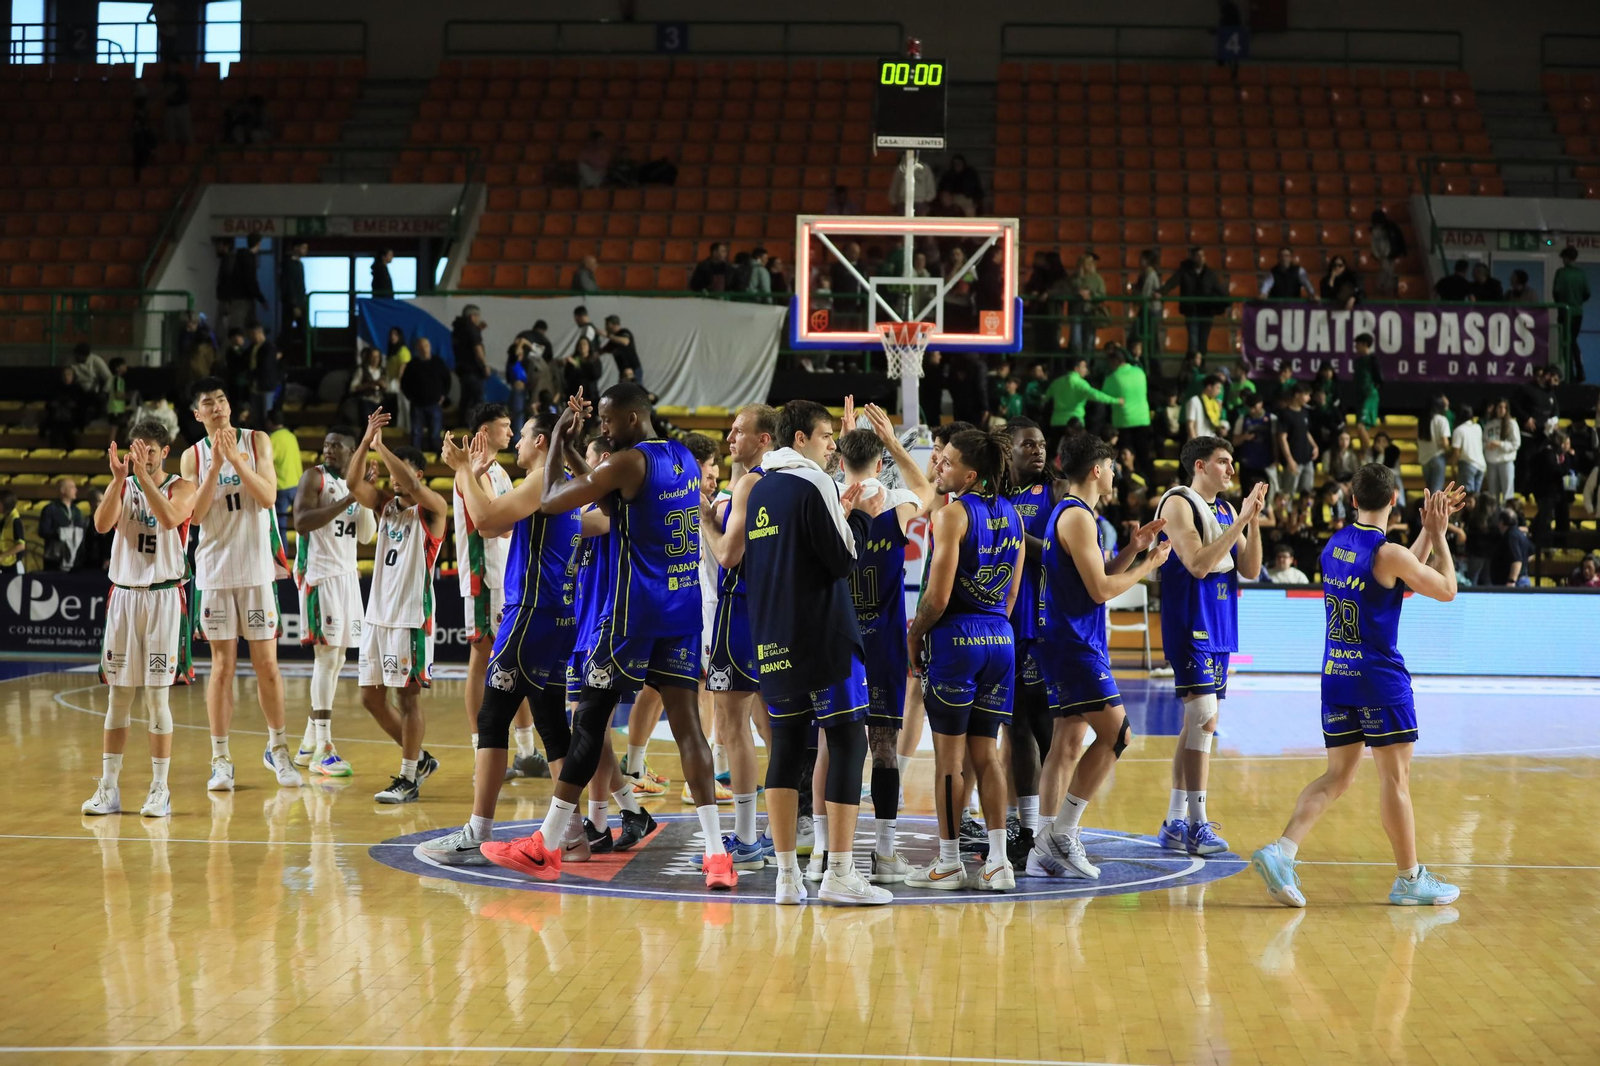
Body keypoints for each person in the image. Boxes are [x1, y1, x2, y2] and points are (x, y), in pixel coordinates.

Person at [471, 384, 732, 889]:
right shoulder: (679, 455)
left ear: (633, 418)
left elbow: (551, 500)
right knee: (688, 730)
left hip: (634, 611)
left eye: (610, 421)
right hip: (681, 610)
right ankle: (717, 855)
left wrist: (560, 445)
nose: (604, 430)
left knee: (589, 720)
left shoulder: (628, 462)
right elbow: (603, 484)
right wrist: (571, 446)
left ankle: (546, 844)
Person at [417, 407, 627, 865]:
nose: (514, 444)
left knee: (493, 720)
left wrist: (459, 472)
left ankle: (477, 831)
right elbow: (598, 520)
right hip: (560, 619)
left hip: (530, 615)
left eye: (522, 436)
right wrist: (472, 476)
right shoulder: (567, 488)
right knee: (552, 724)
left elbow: (488, 521)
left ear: (539, 444)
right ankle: (571, 835)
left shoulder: (539, 484)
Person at [1251, 470, 1464, 909]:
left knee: (1338, 775)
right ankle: (1409, 879)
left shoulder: (1336, 545)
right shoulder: (1389, 554)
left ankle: (1282, 850)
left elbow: (1395, 578)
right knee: (1395, 779)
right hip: (1379, 680)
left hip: (1336, 676)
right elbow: (1445, 590)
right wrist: (1439, 535)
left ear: (1352, 498)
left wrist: (1423, 535)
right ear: (1394, 499)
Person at [720, 399, 884, 903]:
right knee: (847, 743)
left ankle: (787, 877)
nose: (832, 445)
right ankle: (838, 872)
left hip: (771, 638)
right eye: (826, 436)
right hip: (824, 637)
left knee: (786, 749)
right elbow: (840, 561)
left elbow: (740, 560)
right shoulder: (814, 481)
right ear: (800, 439)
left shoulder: (758, 485)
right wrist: (860, 518)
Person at [1027, 433, 1171, 880]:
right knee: (1119, 736)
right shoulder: (1077, 518)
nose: (1113, 474)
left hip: (1065, 640)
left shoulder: (1070, 515)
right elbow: (1102, 590)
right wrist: (1150, 567)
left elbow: (1099, 571)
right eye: (1110, 467)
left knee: (1067, 743)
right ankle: (1064, 833)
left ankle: (1041, 848)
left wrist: (1133, 549)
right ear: (1096, 469)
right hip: (1074, 645)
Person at [899, 428, 1024, 892]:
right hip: (1000, 638)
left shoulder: (952, 515)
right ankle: (997, 864)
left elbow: (937, 595)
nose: (939, 467)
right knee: (987, 755)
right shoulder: (1012, 516)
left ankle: (949, 862)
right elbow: (1010, 595)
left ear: (970, 475)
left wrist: (915, 636)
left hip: (957, 639)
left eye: (947, 463)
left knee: (948, 762)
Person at [180, 377, 300, 792]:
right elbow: (193, 518)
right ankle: (221, 759)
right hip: (214, 572)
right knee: (222, 668)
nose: (217, 407)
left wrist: (237, 460)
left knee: (267, 665)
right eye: (208, 403)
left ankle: (279, 750)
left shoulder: (258, 441)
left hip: (256, 570)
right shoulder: (192, 457)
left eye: (222, 399)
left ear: (230, 406)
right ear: (198, 414)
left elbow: (268, 497)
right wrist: (216, 464)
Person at [834, 404, 936, 884]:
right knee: (883, 748)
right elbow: (927, 489)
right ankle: (884, 852)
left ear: (837, 460)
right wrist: (894, 442)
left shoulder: (829, 501)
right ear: (880, 465)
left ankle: (824, 855)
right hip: (884, 642)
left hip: (836, 641)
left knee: (830, 745)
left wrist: (843, 439)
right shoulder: (894, 506)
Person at [1152, 438, 1267, 857]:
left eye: (1232, 462)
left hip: (1219, 624)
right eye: (1223, 462)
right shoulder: (1178, 503)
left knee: (1195, 723)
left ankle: (1173, 821)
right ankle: (1198, 824)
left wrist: (1251, 520)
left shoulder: (1226, 509)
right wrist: (1240, 523)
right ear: (1200, 466)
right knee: (1203, 716)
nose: (1231, 469)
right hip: (1190, 622)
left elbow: (1251, 569)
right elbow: (1198, 564)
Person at [80, 422, 198, 820]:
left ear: (165, 452)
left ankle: (160, 789)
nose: (143, 455)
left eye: (150, 450)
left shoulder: (183, 486)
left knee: (155, 698)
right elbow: (100, 525)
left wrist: (143, 478)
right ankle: (109, 787)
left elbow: (168, 519)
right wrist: (117, 480)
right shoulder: (126, 484)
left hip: (164, 597)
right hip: (125, 596)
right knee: (118, 696)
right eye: (138, 449)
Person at [336, 413, 448, 803]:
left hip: (410, 619)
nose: (394, 477)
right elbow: (351, 484)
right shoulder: (385, 505)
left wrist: (382, 447)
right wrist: (366, 440)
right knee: (369, 698)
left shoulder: (433, 509)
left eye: (403, 469)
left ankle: (408, 776)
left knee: (408, 698)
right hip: (376, 616)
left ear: (417, 472)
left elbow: (414, 485)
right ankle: (419, 759)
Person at [697, 404, 781, 869]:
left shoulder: (751, 484)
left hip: (741, 609)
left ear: (764, 438)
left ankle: (746, 840)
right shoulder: (787, 481)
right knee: (772, 727)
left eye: (738, 432)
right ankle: (788, 823)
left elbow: (727, 554)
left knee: (733, 728)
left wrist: (708, 519)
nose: (730, 438)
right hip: (771, 614)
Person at [452, 404, 547, 779]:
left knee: (513, 661)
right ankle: (482, 751)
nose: (510, 433)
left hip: (505, 578)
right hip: (483, 578)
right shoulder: (470, 473)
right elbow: (496, 522)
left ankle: (525, 750)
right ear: (484, 431)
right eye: (505, 427)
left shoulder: (500, 471)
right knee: (483, 662)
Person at [1000, 417, 1072, 867]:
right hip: (1002, 627)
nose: (1038, 451)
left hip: (1044, 625)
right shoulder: (993, 495)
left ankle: (1057, 831)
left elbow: (1063, 551)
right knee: (1015, 730)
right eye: (1028, 445)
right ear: (1007, 450)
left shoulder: (1058, 492)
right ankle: (1025, 828)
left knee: (1048, 732)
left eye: (1042, 444)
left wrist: (1013, 534)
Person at [291, 425, 373, 777]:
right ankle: (324, 747)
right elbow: (301, 521)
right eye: (326, 445)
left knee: (337, 659)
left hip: (346, 576)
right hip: (319, 575)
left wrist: (364, 493)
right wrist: (348, 500)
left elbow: (367, 536)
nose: (328, 450)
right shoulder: (315, 478)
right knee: (326, 659)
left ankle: (309, 743)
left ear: (353, 452)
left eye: (336, 446)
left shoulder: (352, 485)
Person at [1043, 356, 1122, 455]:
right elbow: (1097, 396)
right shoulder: (1081, 384)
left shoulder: (1056, 382)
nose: (1086, 370)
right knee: (1075, 455)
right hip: (1076, 425)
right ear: (1076, 369)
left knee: (1055, 454)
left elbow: (1045, 398)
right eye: (1084, 367)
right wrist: (1116, 400)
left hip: (1056, 423)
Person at [1161, 247, 1229, 355]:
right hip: (1191, 312)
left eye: (1203, 255)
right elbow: (1172, 282)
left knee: (1202, 343)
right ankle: (1192, 368)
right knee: (1193, 343)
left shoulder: (1210, 274)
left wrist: (1224, 303)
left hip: (1206, 314)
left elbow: (1221, 291)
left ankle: (1199, 367)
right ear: (1193, 257)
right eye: (1198, 255)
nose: (1201, 258)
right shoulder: (1184, 271)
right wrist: (1161, 292)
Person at [1102, 346, 1151, 475]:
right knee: (1143, 456)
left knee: (1124, 458)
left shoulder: (1112, 378)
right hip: (1143, 419)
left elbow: (1104, 397)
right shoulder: (1140, 372)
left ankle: (1126, 488)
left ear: (1116, 361)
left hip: (1123, 422)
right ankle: (1148, 486)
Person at [401, 336, 449, 451]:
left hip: (435, 403)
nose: (424, 349)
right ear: (417, 349)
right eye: (421, 347)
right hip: (417, 404)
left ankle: (437, 460)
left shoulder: (438, 362)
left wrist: (443, 395)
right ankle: (414, 459)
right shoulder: (412, 364)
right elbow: (404, 383)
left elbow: (447, 380)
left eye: (426, 346)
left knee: (435, 434)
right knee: (416, 433)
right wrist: (410, 397)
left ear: (430, 347)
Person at [1553, 245, 1590, 382]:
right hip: (1577, 313)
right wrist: (1577, 302)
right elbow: (1587, 294)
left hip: (1564, 312)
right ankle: (1579, 370)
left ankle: (1570, 374)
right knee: (1573, 341)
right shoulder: (1581, 274)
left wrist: (1560, 304)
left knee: (1566, 343)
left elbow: (1556, 292)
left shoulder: (1561, 273)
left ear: (1566, 258)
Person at [264, 407, 301, 541]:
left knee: (281, 528)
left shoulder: (272, 439)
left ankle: (283, 559)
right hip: (297, 484)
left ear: (269, 422)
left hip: (282, 487)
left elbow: (266, 462)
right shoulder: (291, 436)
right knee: (302, 526)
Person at [1275, 383, 1318, 498]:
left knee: (1307, 493)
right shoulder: (1285, 414)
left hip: (1307, 459)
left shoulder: (1305, 412)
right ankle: (1286, 516)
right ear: (1297, 395)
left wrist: (1315, 446)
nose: (1309, 398)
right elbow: (1282, 438)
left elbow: (1306, 431)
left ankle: (1303, 516)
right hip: (1294, 461)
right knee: (1289, 493)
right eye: (1306, 395)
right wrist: (1290, 460)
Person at [39, 476, 87, 571]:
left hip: (75, 560)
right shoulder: (50, 509)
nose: (76, 490)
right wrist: (61, 533)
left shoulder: (77, 511)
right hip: (54, 559)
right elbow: (43, 531)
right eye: (72, 487)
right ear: (63, 490)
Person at [1064, 252, 1107, 354]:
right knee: (1076, 341)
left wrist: (1090, 295)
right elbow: (1066, 290)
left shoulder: (1097, 279)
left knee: (1089, 341)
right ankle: (1077, 364)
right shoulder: (1073, 278)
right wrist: (1077, 293)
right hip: (1076, 312)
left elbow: (1102, 294)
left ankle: (1086, 364)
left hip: (1091, 312)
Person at [451, 305, 489, 420]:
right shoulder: (471, 329)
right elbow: (477, 348)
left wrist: (478, 330)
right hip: (473, 369)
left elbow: (464, 345)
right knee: (478, 399)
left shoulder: (457, 329)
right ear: (473, 316)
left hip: (462, 369)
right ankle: (479, 424)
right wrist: (485, 365)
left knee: (465, 399)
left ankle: (461, 423)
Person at [1483, 397, 1521, 501]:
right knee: (1492, 495)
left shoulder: (1512, 423)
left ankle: (1506, 516)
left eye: (1505, 407)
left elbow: (1516, 444)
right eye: (1500, 407)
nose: (1502, 410)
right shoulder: (1489, 424)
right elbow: (1483, 441)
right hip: (1491, 462)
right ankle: (1494, 516)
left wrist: (1500, 444)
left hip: (1506, 461)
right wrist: (1487, 445)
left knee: (1507, 495)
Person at [246, 320, 282, 429]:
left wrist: (251, 374)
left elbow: (265, 367)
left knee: (266, 417)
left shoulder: (269, 347)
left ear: (257, 332)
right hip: (255, 386)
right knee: (256, 417)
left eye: (251, 334)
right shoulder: (252, 347)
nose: (250, 337)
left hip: (266, 386)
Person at [1353, 333, 1382, 448]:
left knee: (1361, 426)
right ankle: (1364, 451)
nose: (1356, 347)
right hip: (1360, 396)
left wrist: (1372, 391)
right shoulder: (1357, 362)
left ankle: (1368, 454)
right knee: (1359, 428)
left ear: (1365, 345)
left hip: (1369, 395)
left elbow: (1379, 380)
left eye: (1358, 344)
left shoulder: (1372, 360)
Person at [1418, 394, 1452, 494]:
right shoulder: (1441, 420)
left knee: (1429, 492)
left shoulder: (1422, 420)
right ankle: (1433, 510)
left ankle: (1428, 509)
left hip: (1424, 459)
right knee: (1436, 493)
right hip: (1437, 457)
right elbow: (1445, 443)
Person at [1449, 404, 1486, 494]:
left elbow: (1456, 453)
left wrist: (1452, 467)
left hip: (1467, 464)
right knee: (1476, 498)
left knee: (1467, 497)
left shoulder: (1459, 430)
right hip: (1481, 465)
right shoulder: (1478, 427)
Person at [348, 346, 386, 424]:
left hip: (379, 402)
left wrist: (383, 385)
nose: (375, 359)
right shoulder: (362, 370)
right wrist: (368, 385)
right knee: (368, 425)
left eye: (377, 357)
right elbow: (353, 388)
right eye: (373, 357)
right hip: (367, 401)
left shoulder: (382, 371)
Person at [602, 313, 642, 384]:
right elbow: (602, 351)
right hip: (623, 372)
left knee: (636, 392)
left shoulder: (624, 332)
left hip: (633, 370)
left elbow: (625, 341)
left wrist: (608, 335)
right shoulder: (612, 341)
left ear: (614, 325)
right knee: (622, 392)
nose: (606, 328)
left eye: (607, 326)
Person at [1185, 375, 1225, 441]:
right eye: (1217, 388)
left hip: (1211, 441)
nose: (1219, 391)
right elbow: (1190, 426)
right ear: (1209, 387)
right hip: (1199, 443)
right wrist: (1195, 444)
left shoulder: (1214, 403)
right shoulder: (1195, 400)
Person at [0, 489, 22, 573]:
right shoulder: (5, 520)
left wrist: (3, 555)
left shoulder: (15, 521)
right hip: (4, 563)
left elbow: (21, 546)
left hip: (12, 565)